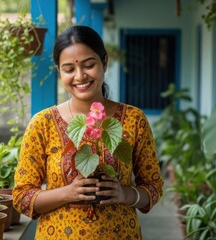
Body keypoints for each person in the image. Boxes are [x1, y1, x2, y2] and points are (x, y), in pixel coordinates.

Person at [12, 25, 164, 239]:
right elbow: (22, 197)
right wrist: (68, 193)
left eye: (89, 65)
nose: (80, 76)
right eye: (69, 69)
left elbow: (154, 187)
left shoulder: (133, 119)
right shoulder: (42, 124)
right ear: (59, 72)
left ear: (104, 62)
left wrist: (124, 194)